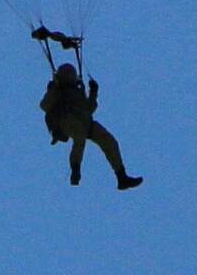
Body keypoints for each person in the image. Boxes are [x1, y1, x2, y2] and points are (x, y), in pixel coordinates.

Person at [34, 28, 141, 191]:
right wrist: (51, 90)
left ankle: (121, 177)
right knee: (79, 138)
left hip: (85, 122)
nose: (71, 76)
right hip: (67, 122)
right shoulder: (57, 90)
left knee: (109, 141)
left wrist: (93, 92)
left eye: (72, 73)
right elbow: (44, 106)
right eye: (68, 74)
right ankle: (75, 170)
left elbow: (89, 108)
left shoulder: (78, 91)